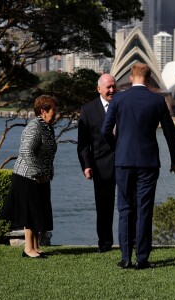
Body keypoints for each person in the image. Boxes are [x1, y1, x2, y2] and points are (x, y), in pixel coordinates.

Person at [101, 63, 175, 269]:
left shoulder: (118, 99)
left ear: (131, 77)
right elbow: (169, 132)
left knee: (125, 208)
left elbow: (105, 131)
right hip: (148, 163)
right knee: (144, 209)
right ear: (149, 79)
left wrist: (117, 149)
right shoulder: (157, 100)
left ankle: (126, 257)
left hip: (123, 161)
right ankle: (142, 258)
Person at [2, 95, 57, 258]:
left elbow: (47, 154)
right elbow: (26, 152)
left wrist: (47, 173)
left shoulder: (47, 127)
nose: (57, 113)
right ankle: (28, 249)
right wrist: (38, 172)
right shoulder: (34, 127)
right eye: (54, 110)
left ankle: (35, 247)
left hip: (40, 177)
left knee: (37, 212)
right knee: (30, 213)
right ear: (43, 111)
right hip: (28, 177)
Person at [77, 74, 117, 253]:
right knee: (104, 208)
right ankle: (105, 243)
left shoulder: (122, 104)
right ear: (99, 89)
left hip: (125, 163)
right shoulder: (87, 110)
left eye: (113, 86)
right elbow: (84, 143)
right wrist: (86, 165)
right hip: (101, 166)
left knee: (129, 205)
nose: (111, 90)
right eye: (108, 87)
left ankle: (130, 241)